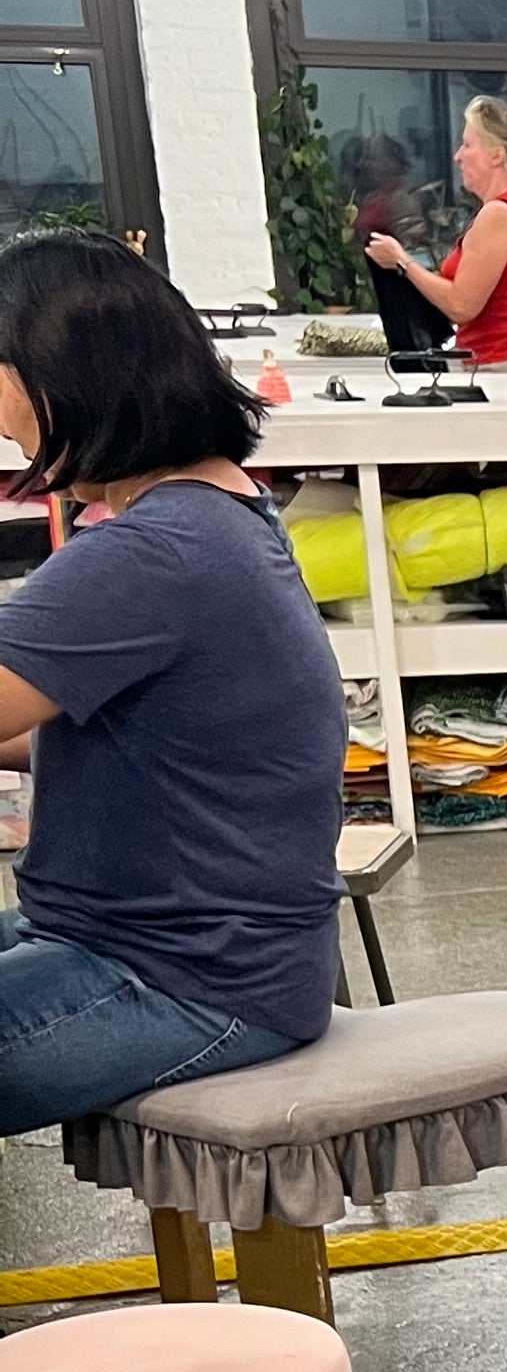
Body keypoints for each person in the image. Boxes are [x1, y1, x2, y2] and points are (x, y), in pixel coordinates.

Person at [0, 232, 343, 1128]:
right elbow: (135, 737)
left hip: (185, 980)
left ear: (63, 379)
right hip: (192, 954)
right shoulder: (220, 511)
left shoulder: (155, 550)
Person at [363, 95, 507, 368]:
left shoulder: (500, 214)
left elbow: (461, 306)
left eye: (468, 145)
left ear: (496, 155)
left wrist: (403, 262)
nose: (458, 156)